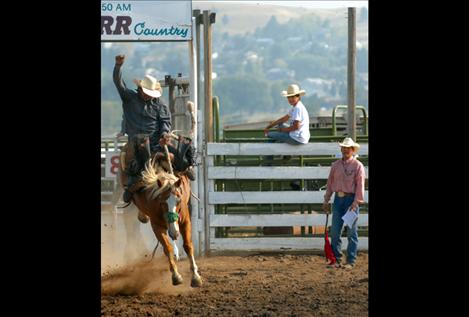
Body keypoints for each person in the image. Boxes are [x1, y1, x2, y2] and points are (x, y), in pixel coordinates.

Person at [113, 54, 173, 203]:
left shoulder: (160, 105)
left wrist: (165, 133)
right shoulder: (129, 98)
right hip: (136, 142)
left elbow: (165, 122)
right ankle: (131, 185)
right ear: (140, 89)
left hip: (156, 142)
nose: (149, 96)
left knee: (177, 153)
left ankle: (180, 177)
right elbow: (119, 83)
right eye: (147, 93)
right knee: (136, 161)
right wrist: (118, 67)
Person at [322, 137, 366, 269]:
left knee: (352, 232)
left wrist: (356, 202)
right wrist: (326, 199)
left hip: (350, 200)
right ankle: (337, 259)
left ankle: (351, 260)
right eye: (344, 147)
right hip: (338, 199)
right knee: (335, 232)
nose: (345, 150)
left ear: (352, 150)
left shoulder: (358, 166)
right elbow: (330, 184)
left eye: (348, 148)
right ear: (341, 149)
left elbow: (360, 185)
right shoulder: (335, 166)